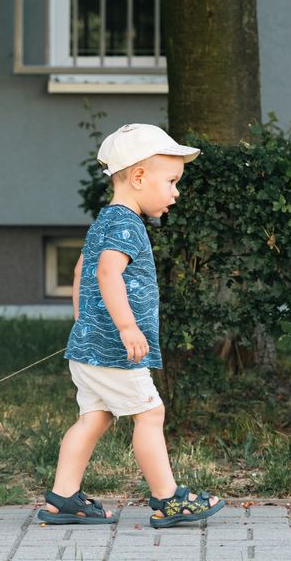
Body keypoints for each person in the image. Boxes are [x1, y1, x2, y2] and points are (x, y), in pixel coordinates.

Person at [37, 123, 225, 528]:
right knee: (150, 413)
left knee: (94, 418)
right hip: (114, 350)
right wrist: (125, 327)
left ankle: (62, 498)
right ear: (139, 177)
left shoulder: (106, 220)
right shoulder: (126, 224)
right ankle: (167, 498)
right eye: (171, 181)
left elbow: (80, 271)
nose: (176, 192)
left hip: (91, 347)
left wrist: (84, 325)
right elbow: (107, 273)